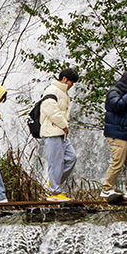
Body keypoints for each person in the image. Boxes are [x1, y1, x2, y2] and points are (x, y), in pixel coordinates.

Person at [101, 71, 127, 202]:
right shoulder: (114, 92)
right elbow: (117, 106)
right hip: (117, 134)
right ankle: (106, 189)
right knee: (117, 162)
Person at [37, 68, 77, 201]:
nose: (72, 85)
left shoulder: (64, 93)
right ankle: (54, 193)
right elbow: (50, 110)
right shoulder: (52, 90)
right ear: (64, 79)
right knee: (55, 162)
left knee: (71, 158)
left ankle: (52, 184)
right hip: (52, 131)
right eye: (71, 82)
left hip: (61, 132)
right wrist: (64, 125)